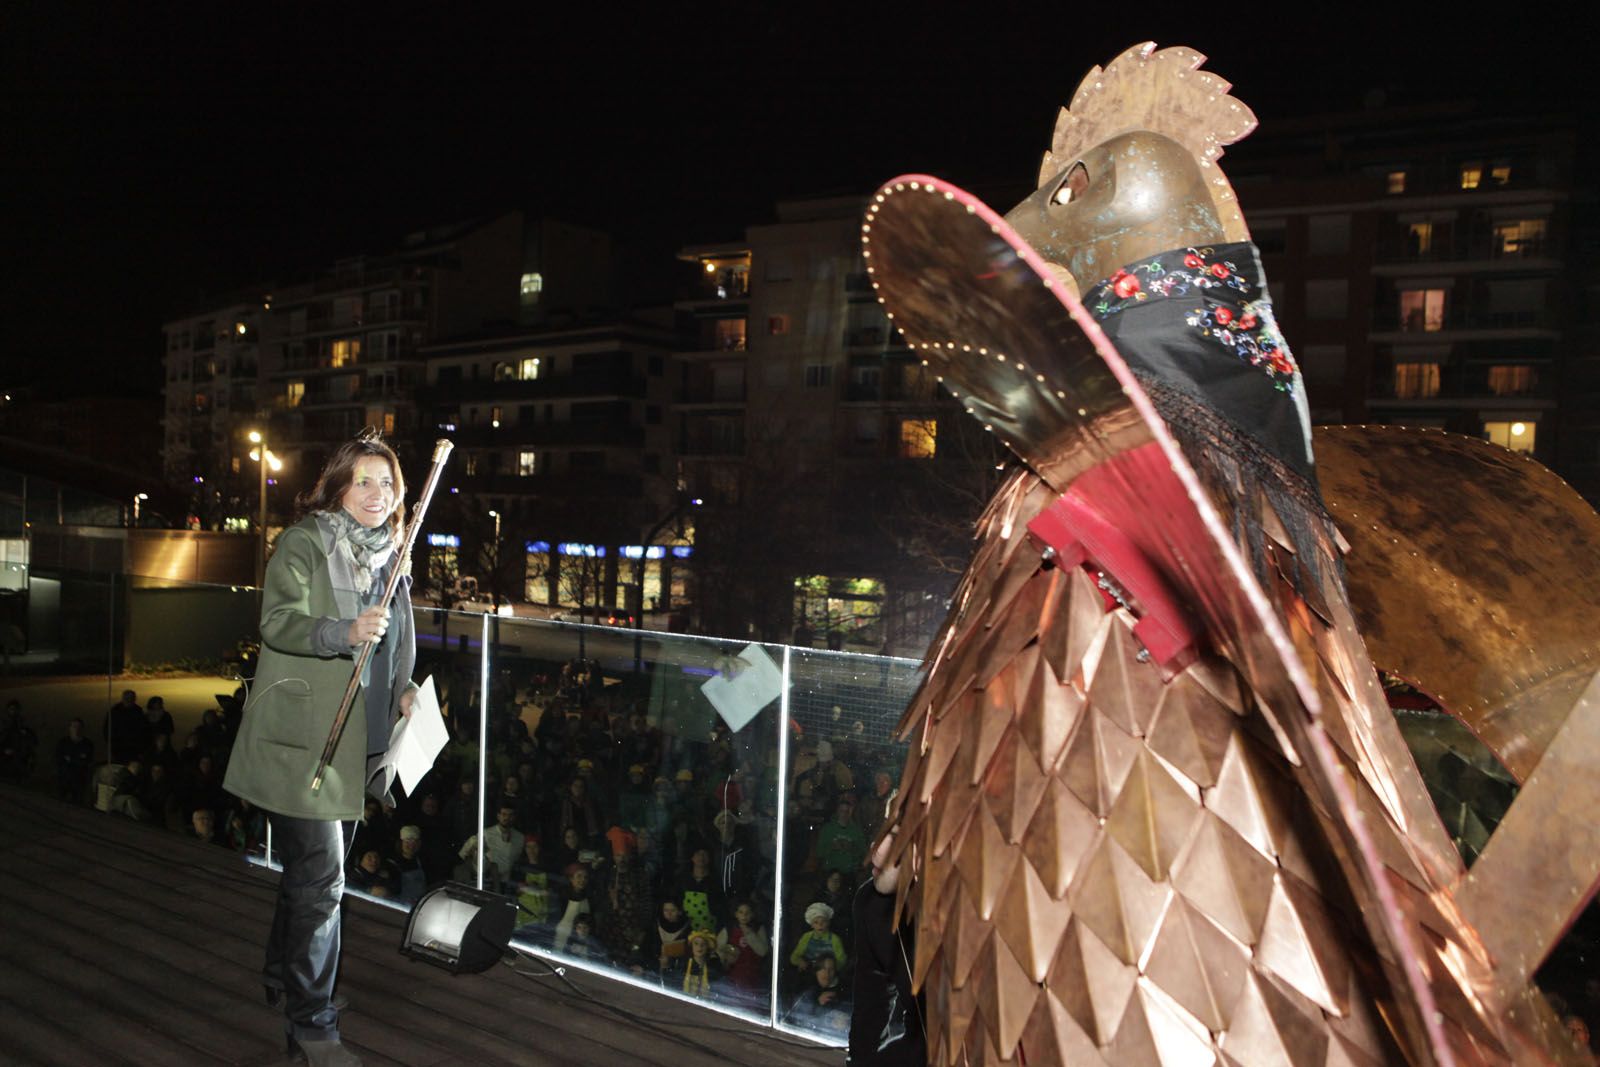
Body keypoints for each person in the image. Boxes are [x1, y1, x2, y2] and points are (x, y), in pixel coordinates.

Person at [222, 432, 418, 1067]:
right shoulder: (304, 543)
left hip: (357, 737)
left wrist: (407, 689)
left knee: (311, 875)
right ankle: (312, 1026)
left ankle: (283, 972)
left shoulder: (393, 555)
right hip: (303, 742)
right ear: (338, 486)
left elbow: (393, 645)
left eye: (387, 484)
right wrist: (342, 630)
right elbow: (277, 622)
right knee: (324, 881)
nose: (377, 494)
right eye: (363, 481)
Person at [848, 832, 924, 1066]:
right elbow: (871, 1006)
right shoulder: (870, 904)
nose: (876, 848)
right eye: (883, 828)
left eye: (895, 835)